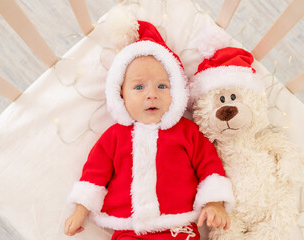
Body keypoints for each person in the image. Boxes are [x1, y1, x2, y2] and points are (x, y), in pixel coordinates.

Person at [64, 19, 235, 240]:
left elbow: (209, 165)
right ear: (121, 95)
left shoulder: (187, 132)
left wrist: (214, 202)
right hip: (129, 229)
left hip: (177, 227)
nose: (151, 94)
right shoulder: (114, 137)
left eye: (162, 86)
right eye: (139, 87)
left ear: (177, 92)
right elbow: (95, 174)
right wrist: (81, 209)